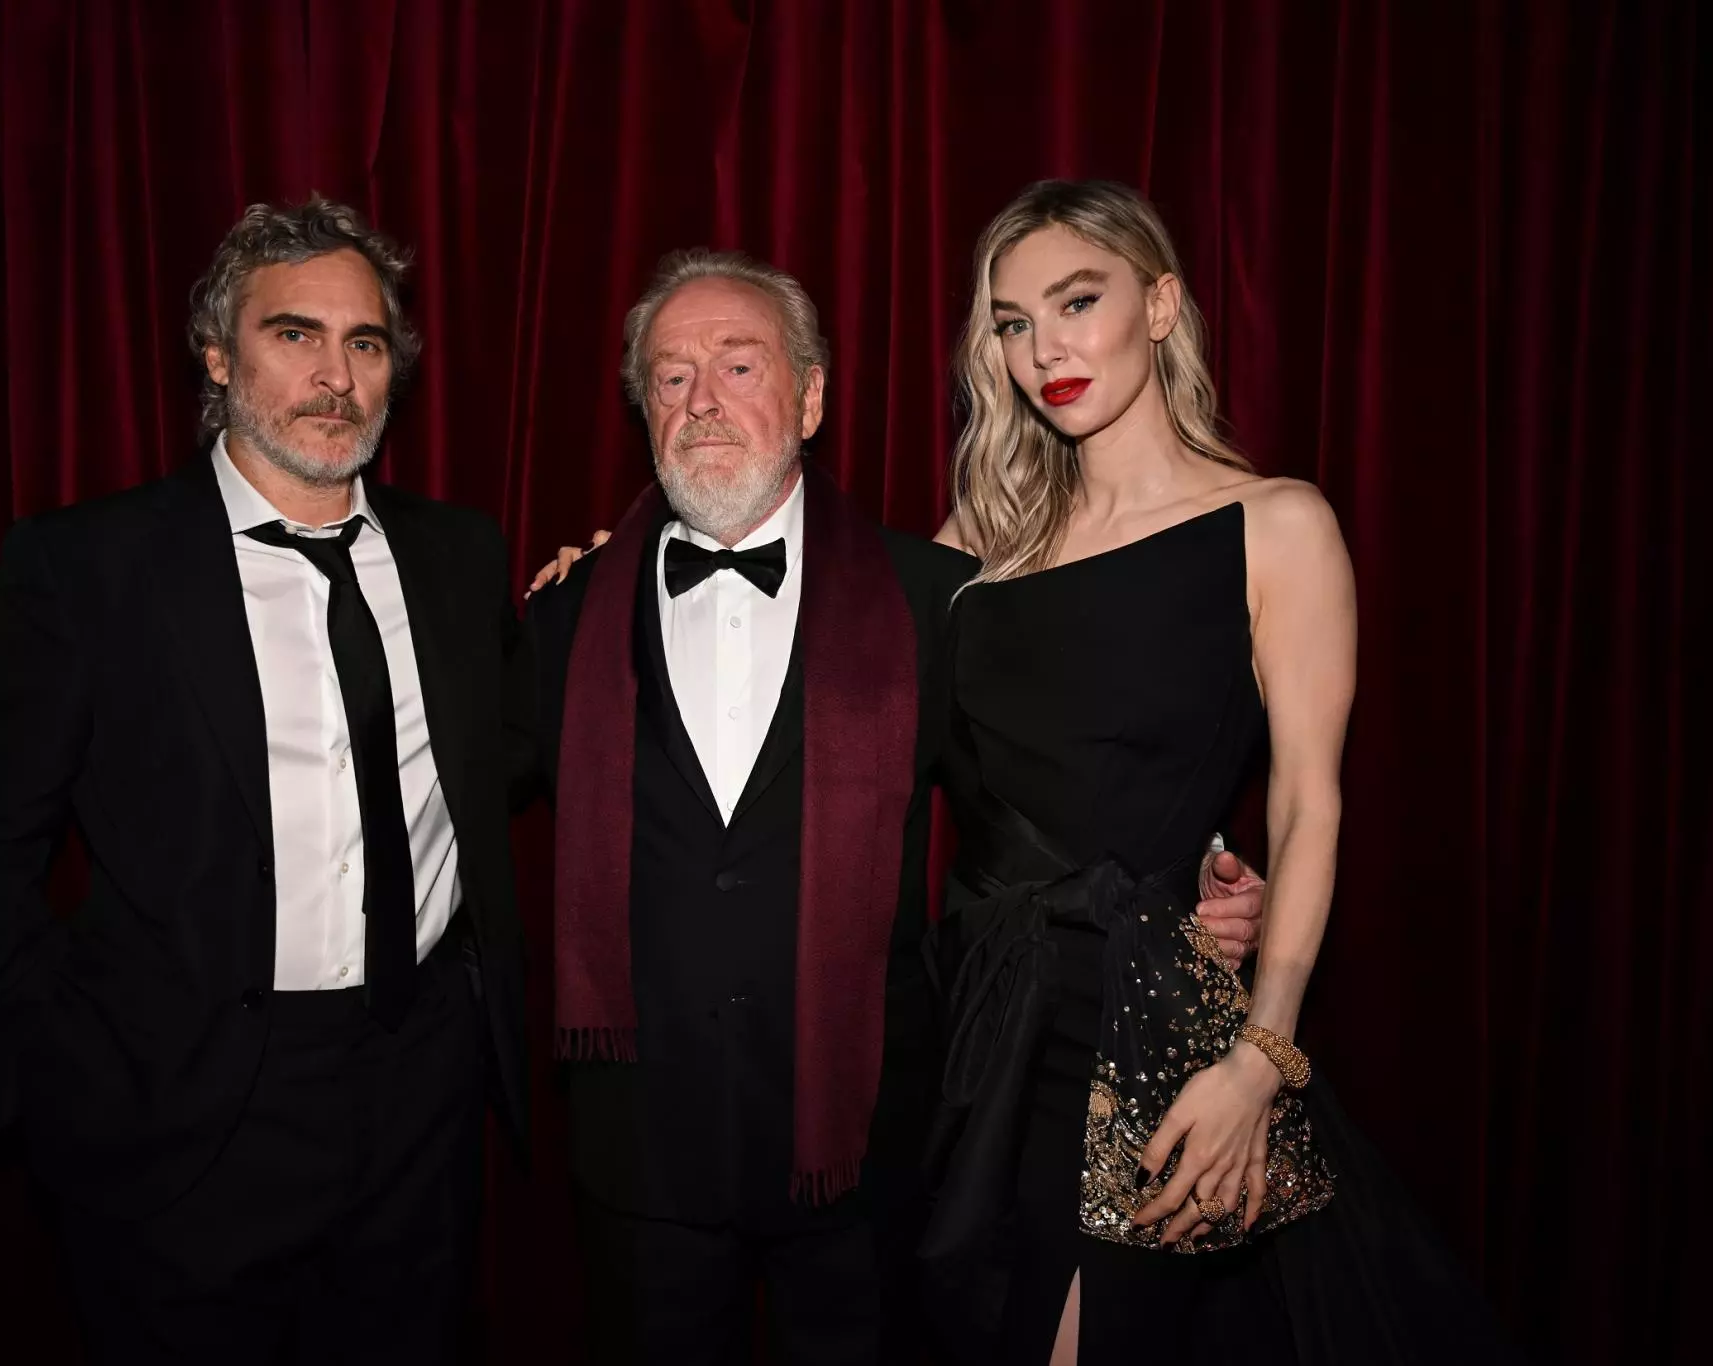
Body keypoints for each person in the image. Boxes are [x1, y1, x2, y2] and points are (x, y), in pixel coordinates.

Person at [522, 250, 1268, 1364]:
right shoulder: (565, 616)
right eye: (671, 377)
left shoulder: (932, 596)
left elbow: (1054, 790)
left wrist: (1193, 876)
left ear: (810, 398)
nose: (702, 401)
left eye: (738, 365)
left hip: (864, 1143)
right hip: (641, 1157)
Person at [921, 179, 1515, 1364]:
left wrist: (1261, 1059)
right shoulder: (972, 546)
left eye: (1076, 302)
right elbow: (835, 701)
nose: (1045, 351)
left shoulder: (1275, 524)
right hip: (971, 1023)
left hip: (1139, 1022)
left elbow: (1305, 806)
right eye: (1013, 323)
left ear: (1158, 305)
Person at [0, 197, 528, 1364]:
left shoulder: (458, 556)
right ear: (217, 354)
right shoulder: (90, 566)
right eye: (293, 334)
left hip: (419, 1097)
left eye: (364, 343)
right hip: (183, 1105)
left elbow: (509, 745)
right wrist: (52, 1074)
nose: (335, 377)